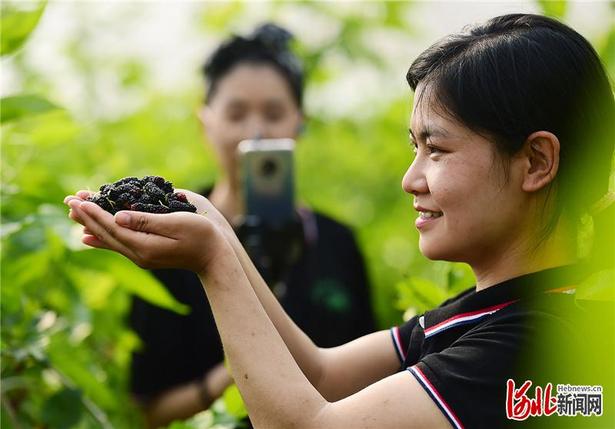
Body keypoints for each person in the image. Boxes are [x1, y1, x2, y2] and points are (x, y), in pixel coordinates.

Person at [66, 13, 614, 429]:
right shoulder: (491, 316)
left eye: (437, 150)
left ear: (537, 162)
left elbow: (307, 424)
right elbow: (321, 374)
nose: (411, 179)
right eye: (413, 148)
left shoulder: (537, 345)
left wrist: (212, 260)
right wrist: (223, 236)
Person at [127, 23, 375, 427]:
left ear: (300, 121)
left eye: (274, 114)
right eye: (236, 113)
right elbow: (150, 410)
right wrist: (243, 367)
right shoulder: (170, 238)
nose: (255, 132)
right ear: (205, 121)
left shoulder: (337, 243)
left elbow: (373, 384)